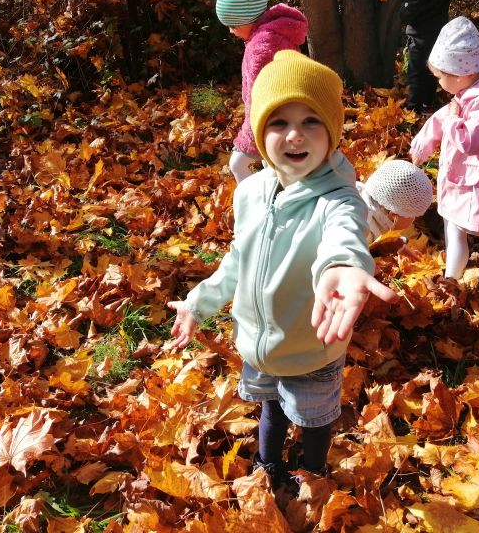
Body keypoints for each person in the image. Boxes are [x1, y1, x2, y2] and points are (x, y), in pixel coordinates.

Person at [167, 50, 398, 486]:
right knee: (270, 407)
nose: (295, 135)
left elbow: (343, 235)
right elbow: (238, 258)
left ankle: (313, 470)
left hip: (311, 348)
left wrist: (345, 264)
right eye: (278, 122)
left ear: (332, 132)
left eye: (311, 121)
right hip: (258, 347)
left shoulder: (339, 199)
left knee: (313, 420)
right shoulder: (250, 192)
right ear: (259, 132)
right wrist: (200, 302)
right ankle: (268, 462)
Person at [410, 17, 479, 279]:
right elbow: (445, 115)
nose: (438, 83)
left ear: (461, 75)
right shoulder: (472, 92)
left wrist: (451, 121)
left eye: (440, 77)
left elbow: (473, 141)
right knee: (452, 222)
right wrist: (429, 136)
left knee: (455, 228)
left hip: (475, 182)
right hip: (464, 177)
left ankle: (452, 278)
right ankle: (453, 270)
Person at [215, 0, 308, 183]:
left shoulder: (262, 47)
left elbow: (262, 93)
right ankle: (277, 197)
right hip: (282, 116)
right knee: (273, 166)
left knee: (238, 164)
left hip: (268, 118)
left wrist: (254, 129)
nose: (231, 31)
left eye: (234, 25)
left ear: (248, 19)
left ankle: (253, 204)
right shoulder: (271, 34)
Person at [399, 0, 455, 115]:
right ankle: (427, 103)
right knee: (432, 69)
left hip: (419, 35)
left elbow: (405, 15)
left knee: (416, 72)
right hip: (439, 31)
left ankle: (414, 107)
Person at [356, 159, 433, 243]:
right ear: (394, 216)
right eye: (413, 216)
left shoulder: (376, 215)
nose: (413, 220)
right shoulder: (363, 233)